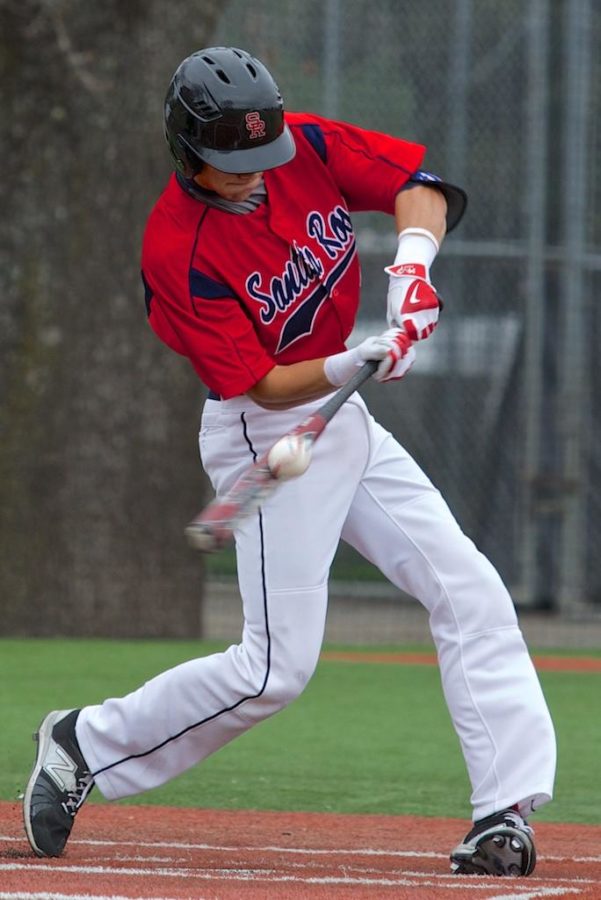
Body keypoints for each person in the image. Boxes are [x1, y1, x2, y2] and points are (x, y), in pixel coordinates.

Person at [23, 46, 556, 877]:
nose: (252, 175)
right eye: (230, 165)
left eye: (258, 156)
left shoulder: (300, 145)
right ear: (185, 151)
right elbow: (264, 385)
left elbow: (420, 186)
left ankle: (504, 812)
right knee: (274, 670)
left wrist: (411, 268)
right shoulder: (178, 249)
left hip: (341, 427)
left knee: (469, 589)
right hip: (262, 429)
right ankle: (82, 740)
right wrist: (348, 364)